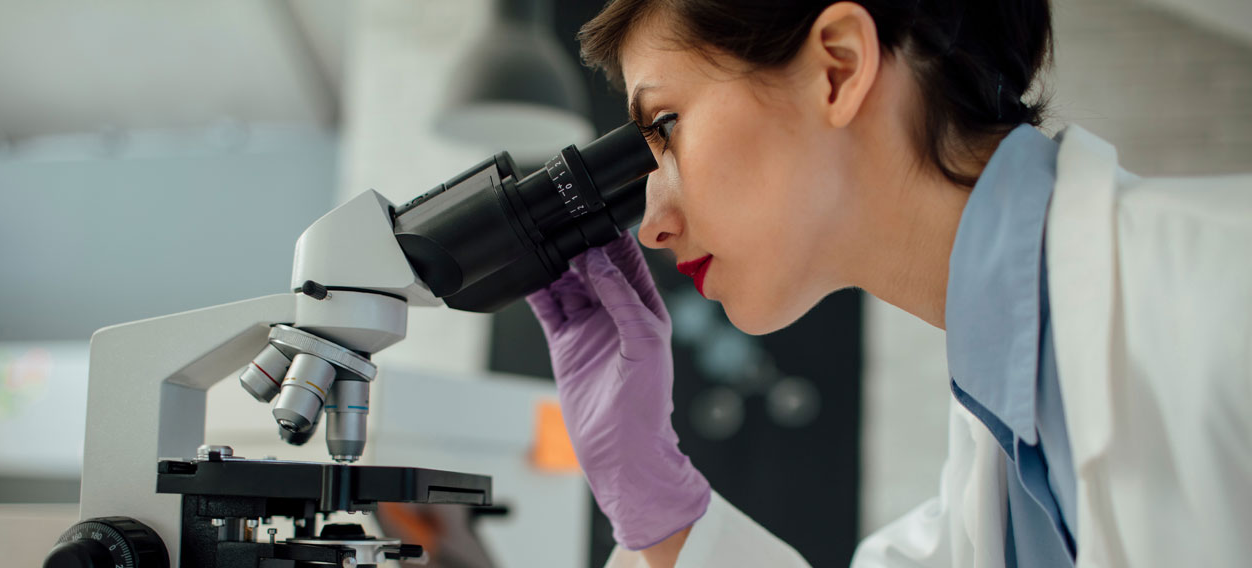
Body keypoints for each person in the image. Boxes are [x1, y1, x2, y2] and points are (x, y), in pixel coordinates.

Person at [523, 1, 1252, 566]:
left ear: (837, 68)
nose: (651, 223)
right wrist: (652, 494)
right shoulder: (1003, 433)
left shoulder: (1227, 286)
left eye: (667, 126)